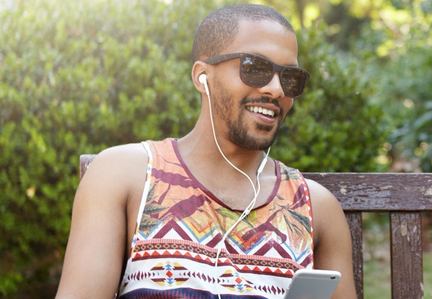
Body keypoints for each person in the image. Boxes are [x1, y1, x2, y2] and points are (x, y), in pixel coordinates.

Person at [56, 4, 356, 299]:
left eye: (290, 78)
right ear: (202, 76)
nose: (276, 89)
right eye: (255, 68)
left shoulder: (315, 207)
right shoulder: (125, 174)